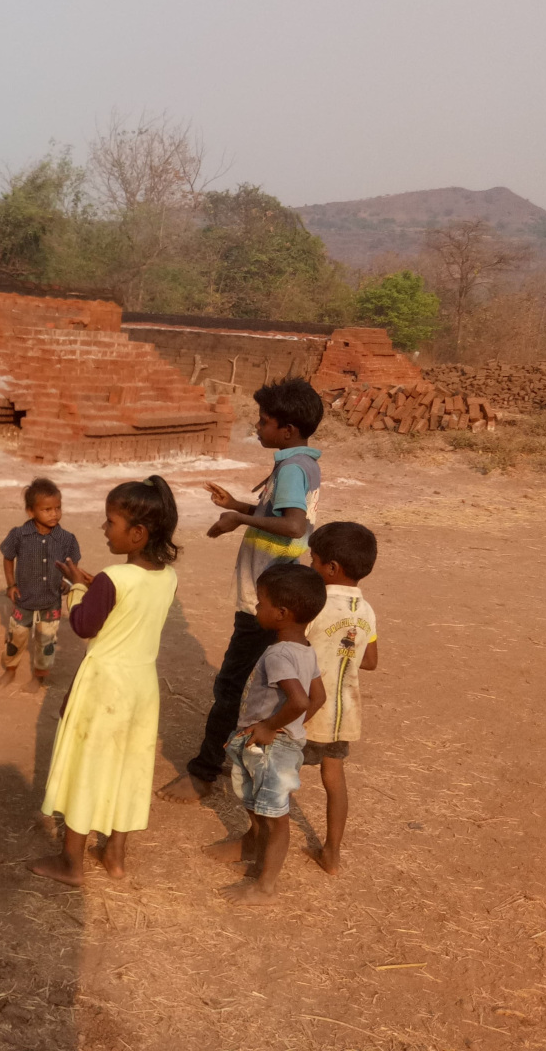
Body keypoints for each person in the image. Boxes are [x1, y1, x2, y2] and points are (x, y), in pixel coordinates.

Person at [160, 377, 324, 803]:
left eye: (264, 421)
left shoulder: (291, 468)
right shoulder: (304, 464)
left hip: (263, 600)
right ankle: (243, 753)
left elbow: (294, 525)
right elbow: (282, 515)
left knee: (230, 685)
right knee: (262, 681)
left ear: (287, 429)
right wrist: (237, 505)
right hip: (279, 591)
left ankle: (203, 772)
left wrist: (240, 520)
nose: (258, 427)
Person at [30, 477, 180, 884]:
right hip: (141, 687)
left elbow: (84, 625)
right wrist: (93, 586)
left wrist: (77, 590)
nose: (104, 528)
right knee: (128, 765)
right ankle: (115, 855)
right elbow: (130, 605)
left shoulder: (114, 578)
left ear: (137, 533)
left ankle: (71, 861)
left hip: (104, 687)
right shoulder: (167, 577)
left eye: (110, 521)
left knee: (88, 765)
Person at [206, 563, 327, 905]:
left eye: (261, 603)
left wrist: (272, 727)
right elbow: (318, 698)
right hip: (268, 742)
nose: (257, 608)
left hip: (270, 746)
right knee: (258, 806)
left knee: (275, 819)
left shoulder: (278, 654)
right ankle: (257, 860)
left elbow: (300, 700)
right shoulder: (305, 649)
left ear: (281, 613)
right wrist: (291, 728)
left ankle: (265, 887)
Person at [301, 521, 380, 875]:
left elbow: (293, 646)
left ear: (331, 568)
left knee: (276, 773)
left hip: (307, 709)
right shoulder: (367, 611)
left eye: (314, 560)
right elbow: (371, 660)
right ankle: (332, 853)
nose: (310, 565)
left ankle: (258, 839)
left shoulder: (314, 604)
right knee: (334, 778)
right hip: (344, 711)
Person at [0, 478, 82, 691]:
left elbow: (72, 563)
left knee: (46, 641)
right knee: (17, 636)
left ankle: (39, 677)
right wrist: (11, 585)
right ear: (31, 511)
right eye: (47, 509)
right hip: (24, 599)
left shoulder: (66, 539)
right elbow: (8, 557)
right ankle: (10, 670)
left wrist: (67, 581)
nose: (54, 514)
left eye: (57, 508)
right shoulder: (19, 535)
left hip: (51, 600)